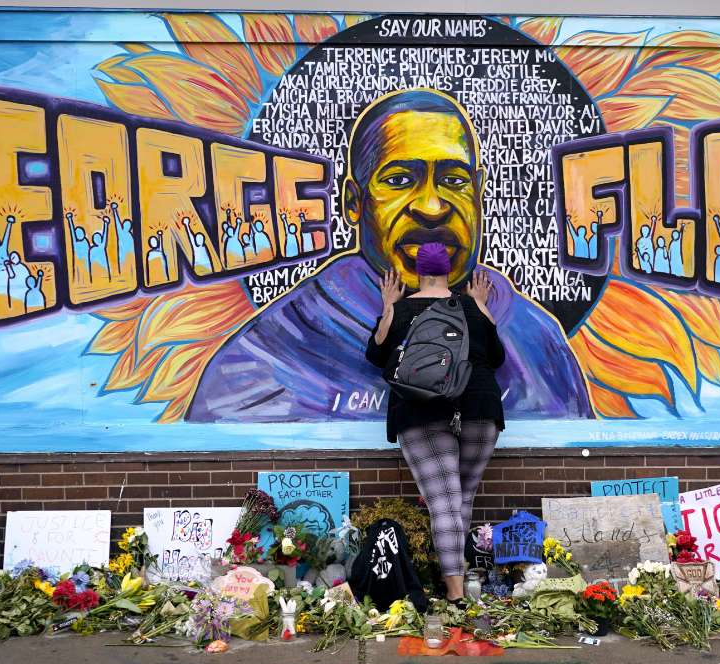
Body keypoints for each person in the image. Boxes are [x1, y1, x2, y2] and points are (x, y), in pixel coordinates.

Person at [186, 88, 590, 423]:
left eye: (454, 180)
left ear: (479, 193)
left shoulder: (537, 342)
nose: (432, 207)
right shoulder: (263, 360)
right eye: (399, 180)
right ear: (353, 202)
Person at [365, 242, 502, 602]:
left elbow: (376, 355)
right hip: (480, 406)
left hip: (421, 409)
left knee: (443, 502)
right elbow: (496, 356)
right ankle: (461, 583)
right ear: (449, 270)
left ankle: (455, 594)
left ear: (417, 271)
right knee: (462, 499)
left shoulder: (400, 310)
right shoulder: (472, 307)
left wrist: (388, 306)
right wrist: (481, 304)